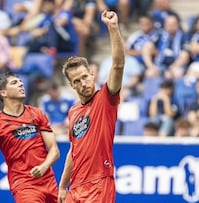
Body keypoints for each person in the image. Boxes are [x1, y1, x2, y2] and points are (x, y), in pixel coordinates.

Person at [58, 10, 125, 203]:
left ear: (92, 74)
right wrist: (63, 185)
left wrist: (112, 28)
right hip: (76, 186)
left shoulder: (106, 98)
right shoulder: (73, 111)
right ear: (71, 85)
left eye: (85, 77)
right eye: (77, 80)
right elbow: (74, 150)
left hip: (99, 184)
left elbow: (118, 65)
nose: (83, 83)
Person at [0, 72, 60, 203]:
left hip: (49, 183)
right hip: (24, 186)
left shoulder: (37, 114)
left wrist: (44, 166)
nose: (21, 84)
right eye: (14, 83)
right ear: (3, 93)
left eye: (20, 82)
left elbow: (54, 151)